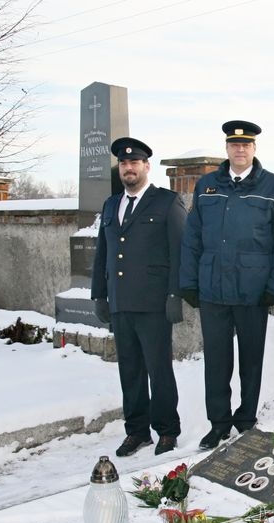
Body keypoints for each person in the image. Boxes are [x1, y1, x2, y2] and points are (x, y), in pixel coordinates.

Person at [180, 120, 274, 450]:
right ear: (227, 148)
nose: (240, 149)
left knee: (251, 360)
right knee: (216, 361)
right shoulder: (206, 186)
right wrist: (188, 282)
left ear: (254, 149)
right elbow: (191, 239)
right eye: (234, 144)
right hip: (213, 290)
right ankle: (218, 423)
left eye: (246, 145)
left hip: (253, 291)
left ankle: (246, 419)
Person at [91, 137, 187, 457]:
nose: (128, 168)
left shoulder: (166, 202)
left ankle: (167, 431)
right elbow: (102, 253)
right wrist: (99, 295)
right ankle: (137, 431)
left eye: (134, 163)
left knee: (158, 370)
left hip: (153, 303)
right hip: (120, 302)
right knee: (129, 370)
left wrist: (175, 294)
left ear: (146, 166)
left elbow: (179, 252)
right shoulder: (110, 204)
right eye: (123, 163)